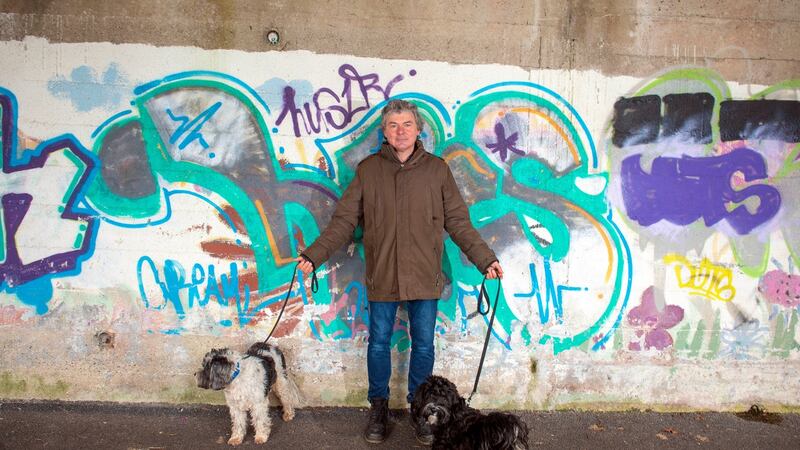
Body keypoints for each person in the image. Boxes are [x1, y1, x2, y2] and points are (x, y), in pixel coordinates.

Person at [297, 99, 503, 445]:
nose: (400, 131)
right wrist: (314, 256)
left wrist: (486, 259)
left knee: (423, 345)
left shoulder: (437, 171)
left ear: (418, 129)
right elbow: (344, 221)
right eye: (393, 125)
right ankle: (378, 407)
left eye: (406, 124)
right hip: (383, 275)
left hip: (424, 276)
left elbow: (458, 222)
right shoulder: (368, 170)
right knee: (378, 344)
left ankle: (421, 411)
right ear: (385, 131)